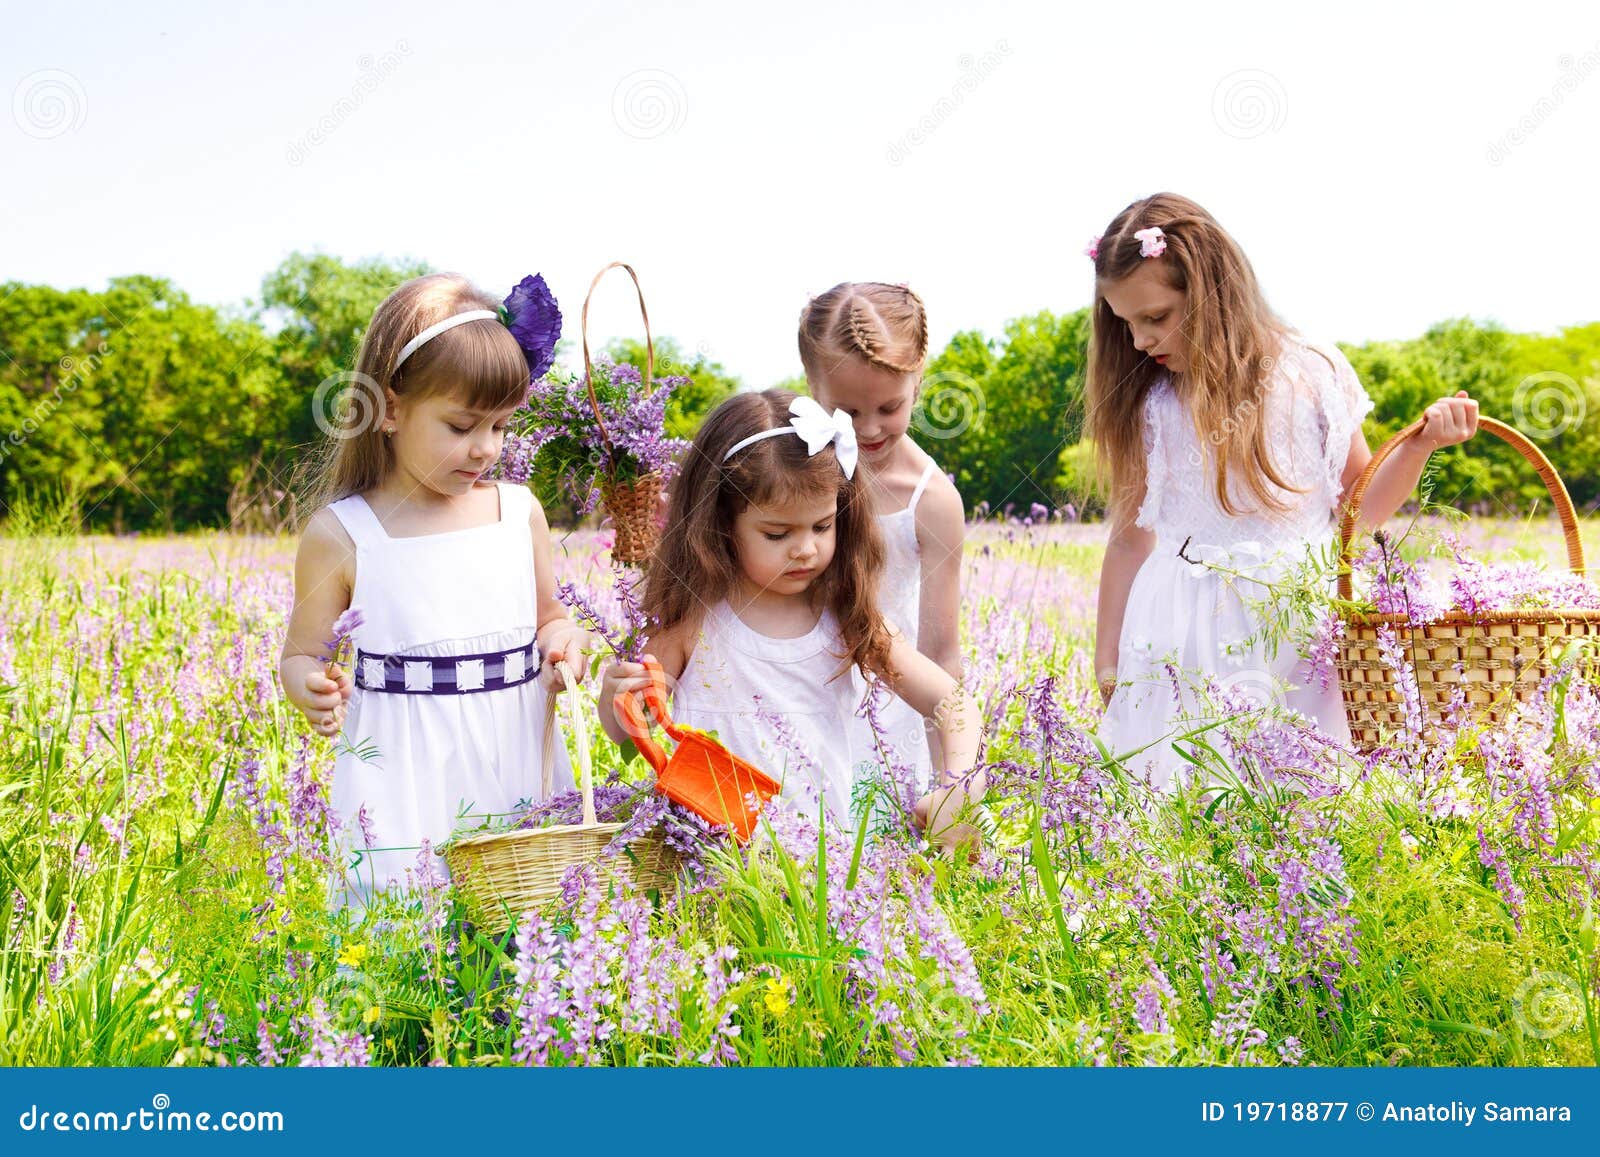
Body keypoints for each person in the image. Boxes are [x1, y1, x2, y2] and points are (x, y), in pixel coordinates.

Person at [1087, 193, 1479, 790]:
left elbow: (1359, 508)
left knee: (1303, 796)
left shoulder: (1309, 372)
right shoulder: (1153, 403)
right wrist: (1107, 656)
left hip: (1295, 621)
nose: (1140, 341)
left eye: (1157, 317)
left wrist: (1420, 445)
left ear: (1212, 291)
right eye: (1127, 323)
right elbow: (1127, 541)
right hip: (1179, 629)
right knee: (1185, 796)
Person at [278, 271, 586, 902]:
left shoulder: (516, 512)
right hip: (402, 780)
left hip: (517, 760)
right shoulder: (345, 533)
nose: (484, 450)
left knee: (528, 933)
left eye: (500, 428)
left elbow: (549, 614)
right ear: (390, 409)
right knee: (409, 943)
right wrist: (308, 685)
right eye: (461, 426)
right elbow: (302, 653)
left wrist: (562, 644)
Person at [598, 387, 983, 847]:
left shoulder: (847, 620)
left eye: (823, 526)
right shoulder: (692, 622)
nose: (806, 549)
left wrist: (960, 785)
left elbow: (952, 704)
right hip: (711, 867)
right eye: (777, 533)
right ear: (720, 525)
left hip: (824, 870)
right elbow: (627, 734)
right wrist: (614, 698)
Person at [797, 282, 966, 788]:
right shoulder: (793, 466)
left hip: (886, 711)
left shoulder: (931, 500)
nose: (868, 429)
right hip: (796, 690)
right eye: (847, 411)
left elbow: (940, 653)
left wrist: (950, 779)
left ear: (918, 381)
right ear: (811, 385)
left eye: (889, 408)